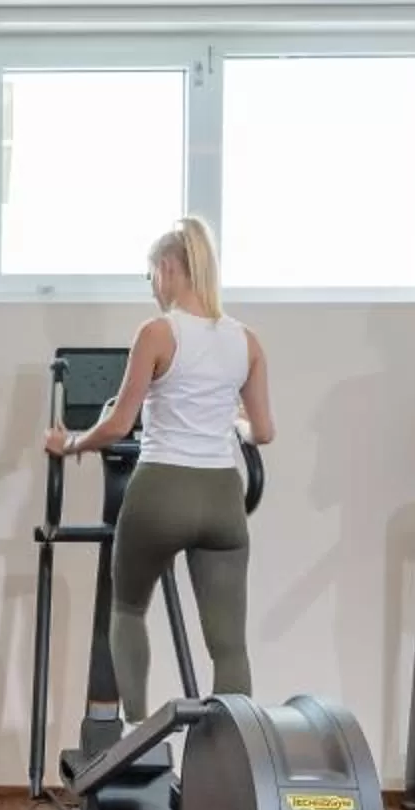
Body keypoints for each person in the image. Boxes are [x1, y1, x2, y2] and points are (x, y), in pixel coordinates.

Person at [44, 218, 274, 718]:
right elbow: (264, 431)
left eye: (150, 275)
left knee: (127, 610)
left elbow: (118, 424)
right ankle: (235, 763)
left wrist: (71, 443)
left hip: (160, 492)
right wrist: (235, 426)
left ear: (168, 269)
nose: (151, 286)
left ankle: (136, 735)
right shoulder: (247, 341)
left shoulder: (156, 333)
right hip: (222, 500)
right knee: (229, 646)